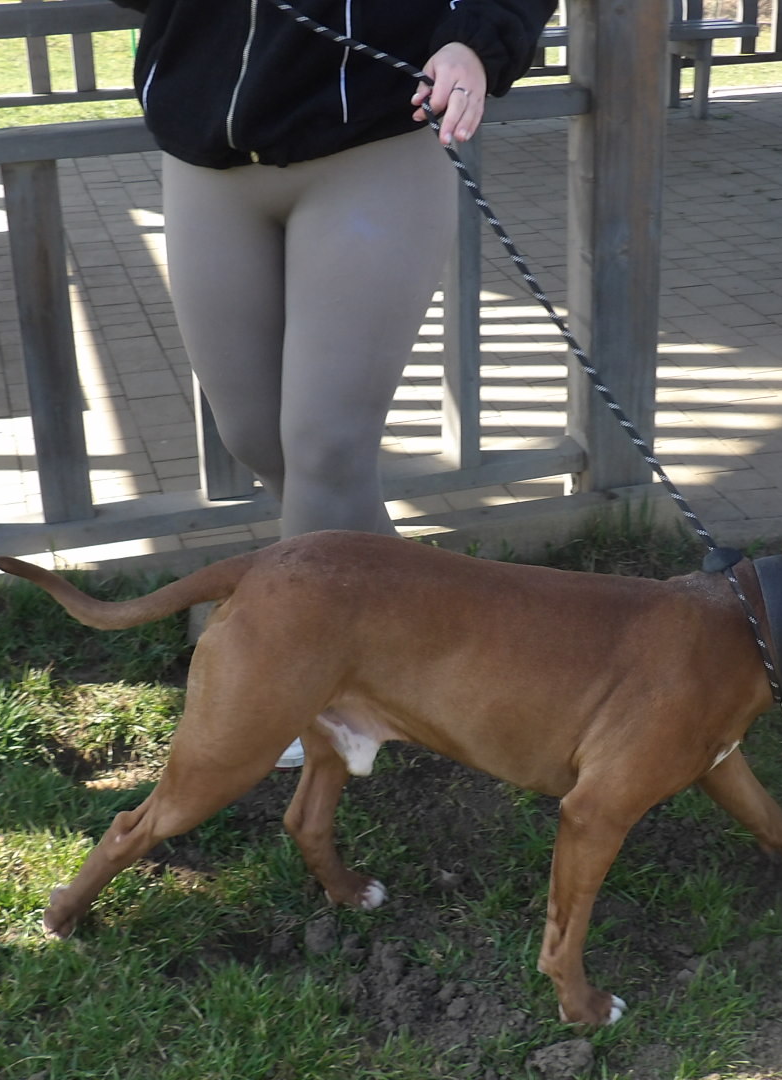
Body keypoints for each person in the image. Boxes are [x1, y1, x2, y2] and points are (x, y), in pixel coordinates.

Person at [109, 0, 556, 766]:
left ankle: (307, 693)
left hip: (372, 139)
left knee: (326, 446)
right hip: (206, 149)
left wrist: (476, 41)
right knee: (255, 437)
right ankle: (426, 639)